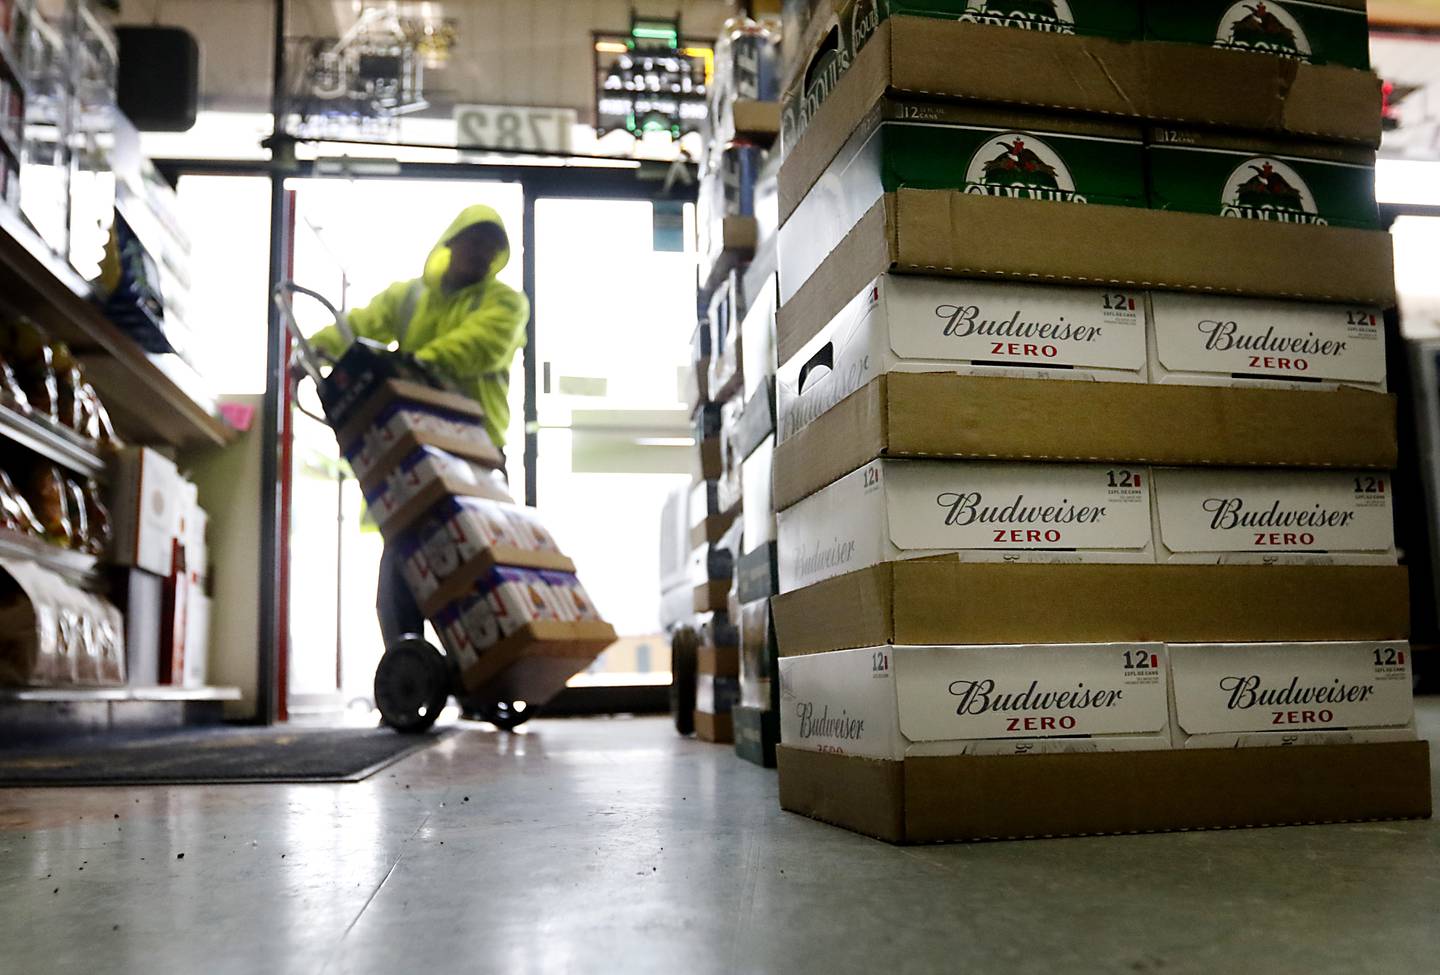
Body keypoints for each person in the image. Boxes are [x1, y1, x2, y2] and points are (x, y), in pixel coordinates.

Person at [310, 204, 529, 647]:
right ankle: (406, 661)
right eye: (476, 241)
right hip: (409, 441)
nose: (483, 253)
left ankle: (486, 659)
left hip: (471, 445)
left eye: (492, 247)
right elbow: (355, 327)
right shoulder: (407, 298)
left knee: (475, 555)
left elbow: (479, 345)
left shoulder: (503, 302)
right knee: (403, 553)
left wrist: (412, 365)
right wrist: (312, 351)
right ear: (451, 242)